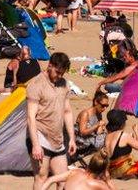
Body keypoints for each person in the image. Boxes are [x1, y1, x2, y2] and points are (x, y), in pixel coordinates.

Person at [26, 52, 76, 190]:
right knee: (41, 177)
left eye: (62, 73)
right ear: (50, 66)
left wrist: (71, 138)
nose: (59, 76)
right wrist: (36, 144)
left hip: (58, 138)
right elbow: (31, 117)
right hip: (40, 135)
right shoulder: (36, 84)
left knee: (63, 180)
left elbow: (67, 111)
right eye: (57, 72)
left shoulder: (64, 84)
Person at [42, 151, 115, 189]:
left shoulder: (75, 172)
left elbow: (50, 179)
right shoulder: (97, 184)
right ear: (103, 171)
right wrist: (108, 180)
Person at [75, 91, 110, 159]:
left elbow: (97, 130)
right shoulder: (85, 114)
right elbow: (82, 132)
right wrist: (97, 125)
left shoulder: (99, 113)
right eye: (103, 105)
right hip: (81, 141)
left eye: (107, 106)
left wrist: (101, 128)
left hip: (90, 138)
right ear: (96, 102)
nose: (105, 108)